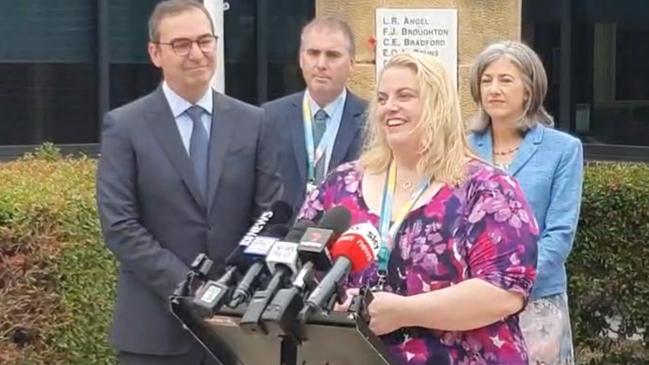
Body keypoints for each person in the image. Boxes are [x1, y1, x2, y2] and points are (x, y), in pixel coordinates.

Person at [298, 52, 539, 364]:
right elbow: (304, 264)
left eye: (405, 95)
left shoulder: (487, 189)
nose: (390, 106)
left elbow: (504, 293)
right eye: (382, 98)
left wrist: (403, 311)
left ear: (438, 105)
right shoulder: (341, 185)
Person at [96, 1, 282, 364]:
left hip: (236, 330)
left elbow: (271, 219)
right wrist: (192, 286)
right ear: (155, 53)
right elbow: (119, 226)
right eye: (181, 44)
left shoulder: (253, 123)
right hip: (154, 334)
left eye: (204, 41)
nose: (196, 53)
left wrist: (233, 290)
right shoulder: (125, 127)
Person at [468, 41, 583, 364]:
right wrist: (478, 292)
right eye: (487, 79)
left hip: (536, 301)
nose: (494, 89)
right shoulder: (459, 148)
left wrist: (512, 288)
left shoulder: (563, 150)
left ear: (529, 90)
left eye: (506, 80)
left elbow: (559, 235)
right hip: (469, 299)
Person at [263, 16, 367, 216]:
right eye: (313, 53)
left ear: (352, 64)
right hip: (284, 239)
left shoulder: (371, 120)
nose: (321, 64)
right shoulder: (269, 117)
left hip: (345, 239)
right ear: (301, 59)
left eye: (332, 55)